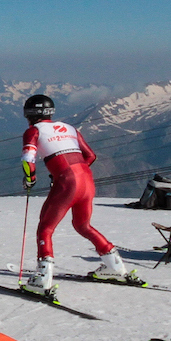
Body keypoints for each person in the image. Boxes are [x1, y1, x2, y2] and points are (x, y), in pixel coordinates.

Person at [18, 94, 125, 296]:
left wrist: (30, 179)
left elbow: (27, 159)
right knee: (83, 225)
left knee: (45, 228)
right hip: (87, 178)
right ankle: (115, 265)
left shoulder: (33, 131)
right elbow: (91, 156)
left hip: (68, 181)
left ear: (29, 114)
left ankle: (43, 279)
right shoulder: (69, 128)